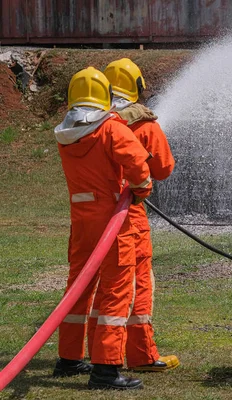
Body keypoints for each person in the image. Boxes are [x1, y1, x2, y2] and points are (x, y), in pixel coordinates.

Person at [52, 67, 153, 390]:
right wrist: (141, 188)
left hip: (81, 223)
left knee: (78, 289)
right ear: (105, 97)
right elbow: (138, 162)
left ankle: (68, 358)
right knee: (115, 291)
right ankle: (106, 369)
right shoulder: (110, 128)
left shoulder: (65, 134)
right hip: (112, 222)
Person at [89, 58, 178, 372]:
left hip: (95, 214)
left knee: (104, 285)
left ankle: (98, 352)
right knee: (138, 283)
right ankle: (140, 355)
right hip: (130, 217)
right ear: (137, 87)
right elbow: (164, 169)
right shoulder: (143, 122)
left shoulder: (94, 120)